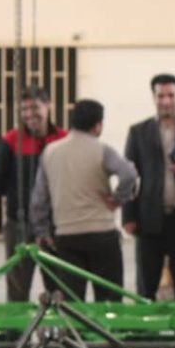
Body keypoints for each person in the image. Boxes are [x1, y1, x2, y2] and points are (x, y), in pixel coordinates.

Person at [30, 99, 138, 302]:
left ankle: (74, 324)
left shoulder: (50, 152)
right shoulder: (102, 150)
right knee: (109, 300)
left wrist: (42, 231)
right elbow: (129, 174)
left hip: (66, 236)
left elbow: (38, 200)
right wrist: (118, 199)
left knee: (72, 301)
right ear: (98, 125)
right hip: (102, 234)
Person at [122, 73, 175, 301]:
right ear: (154, 97)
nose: (166, 101)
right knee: (146, 287)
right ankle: (145, 326)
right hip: (149, 218)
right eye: (161, 96)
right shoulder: (138, 132)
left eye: (170, 95)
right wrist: (128, 215)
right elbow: (129, 177)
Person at [0, 85, 67, 301]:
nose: (29, 114)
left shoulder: (63, 139)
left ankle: (59, 323)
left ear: (48, 105)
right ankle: (17, 324)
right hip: (19, 223)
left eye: (35, 108)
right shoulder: (11, 141)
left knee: (59, 286)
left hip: (56, 226)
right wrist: (17, 196)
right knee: (17, 288)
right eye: (24, 109)